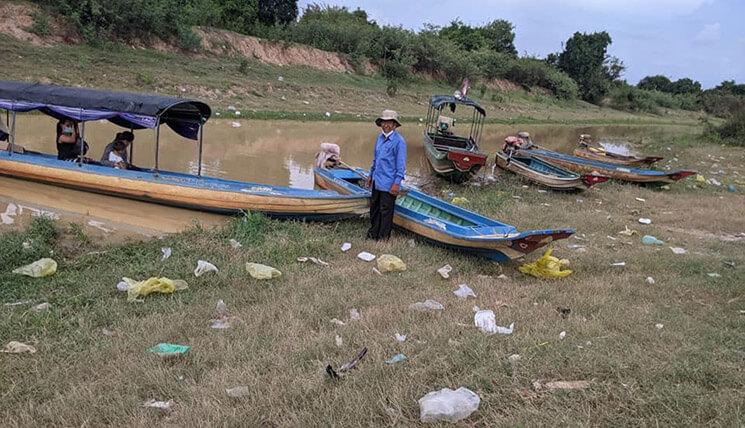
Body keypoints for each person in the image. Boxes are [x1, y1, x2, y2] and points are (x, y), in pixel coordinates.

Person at [366, 109, 406, 241]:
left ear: (394, 125)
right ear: (381, 123)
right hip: (377, 181)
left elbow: (401, 166)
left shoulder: (399, 141)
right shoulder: (379, 138)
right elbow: (375, 159)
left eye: (390, 122)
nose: (386, 125)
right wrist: (370, 175)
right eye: (384, 122)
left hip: (389, 184)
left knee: (386, 212)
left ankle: (383, 238)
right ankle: (373, 234)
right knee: (374, 209)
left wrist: (396, 183)